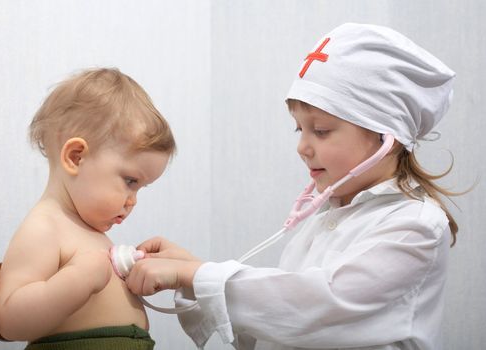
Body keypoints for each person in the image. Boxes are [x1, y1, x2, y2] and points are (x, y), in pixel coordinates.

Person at [125, 23, 459, 349]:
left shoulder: (416, 226)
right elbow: (275, 324)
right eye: (299, 129)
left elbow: (319, 309)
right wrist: (189, 269)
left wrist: (195, 274)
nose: (303, 147)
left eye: (322, 130)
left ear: (389, 137)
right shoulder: (322, 222)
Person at [0, 68, 176, 349]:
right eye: (130, 181)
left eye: (140, 188)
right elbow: (10, 320)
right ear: (76, 157)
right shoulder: (44, 228)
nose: (133, 200)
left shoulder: (89, 232)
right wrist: (77, 279)